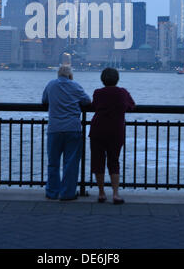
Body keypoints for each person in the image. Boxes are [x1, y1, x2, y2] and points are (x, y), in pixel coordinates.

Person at [42, 65, 91, 200]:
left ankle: (52, 192)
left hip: (55, 129)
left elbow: (44, 101)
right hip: (72, 128)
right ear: (70, 75)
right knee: (70, 163)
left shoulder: (51, 85)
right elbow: (87, 101)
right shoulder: (76, 86)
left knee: (53, 163)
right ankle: (67, 193)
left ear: (58, 74)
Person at [89, 68, 135, 204]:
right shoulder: (123, 92)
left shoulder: (98, 93)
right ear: (117, 79)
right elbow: (132, 106)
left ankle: (101, 193)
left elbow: (94, 106)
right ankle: (115, 194)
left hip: (98, 129)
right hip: (116, 130)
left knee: (98, 161)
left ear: (102, 79)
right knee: (114, 161)